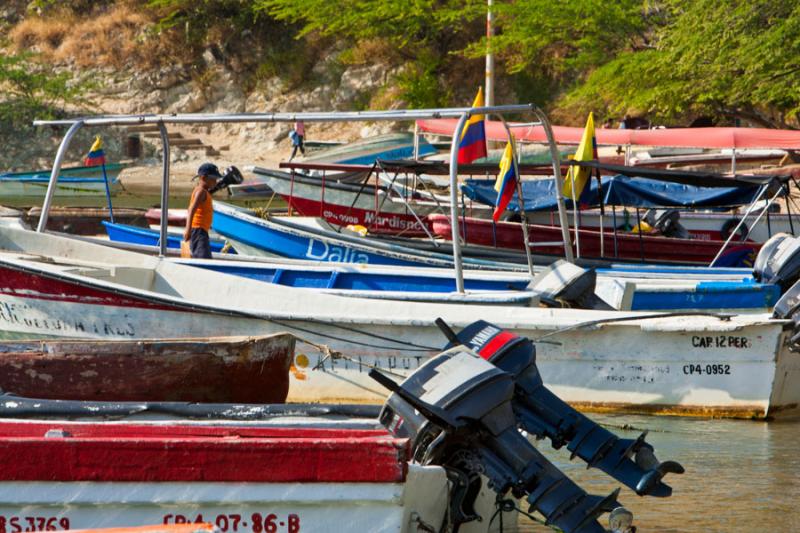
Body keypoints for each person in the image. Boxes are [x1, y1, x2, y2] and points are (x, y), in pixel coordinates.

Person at [183, 162, 221, 259]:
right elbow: (191, 209)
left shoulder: (204, 191)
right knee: (204, 259)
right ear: (204, 178)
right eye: (213, 179)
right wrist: (188, 230)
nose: (215, 182)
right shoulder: (201, 192)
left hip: (202, 231)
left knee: (205, 257)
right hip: (198, 230)